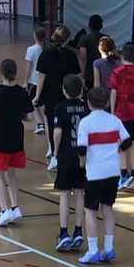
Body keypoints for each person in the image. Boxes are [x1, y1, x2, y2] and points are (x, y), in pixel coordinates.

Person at [75, 86, 131, 265]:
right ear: (107, 102)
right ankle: (108, 248)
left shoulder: (86, 122)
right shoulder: (114, 120)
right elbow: (127, 141)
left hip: (95, 173)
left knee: (90, 210)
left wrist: (82, 163)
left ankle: (92, 250)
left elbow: (82, 148)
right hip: (113, 171)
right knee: (107, 208)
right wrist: (116, 151)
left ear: (89, 103)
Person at [0, 58, 33, 227]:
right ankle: (15, 207)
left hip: (0, 138)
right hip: (16, 137)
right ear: (15, 72)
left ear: (1, 73)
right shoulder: (22, 92)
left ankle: (4, 210)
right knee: (11, 174)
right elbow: (30, 117)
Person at [35, 25, 82, 166]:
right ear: (67, 39)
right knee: (67, 122)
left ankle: (54, 151)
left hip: (50, 94)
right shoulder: (71, 55)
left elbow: (41, 76)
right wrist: (79, 94)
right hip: (67, 92)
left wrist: (37, 95)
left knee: (52, 123)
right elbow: (77, 76)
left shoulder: (46, 54)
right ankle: (65, 151)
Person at [52, 72, 88, 251]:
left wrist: (55, 151)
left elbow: (58, 131)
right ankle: (79, 230)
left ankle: (64, 232)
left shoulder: (60, 107)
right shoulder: (86, 107)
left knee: (65, 194)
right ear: (80, 90)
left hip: (66, 155)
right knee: (80, 193)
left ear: (64, 90)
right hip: (83, 155)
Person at [110, 42, 134, 190]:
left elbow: (113, 92)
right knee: (131, 141)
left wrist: (112, 111)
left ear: (122, 56)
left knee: (121, 143)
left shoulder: (117, 73)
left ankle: (124, 173)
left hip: (121, 112)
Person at [24, 25, 47, 131]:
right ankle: (44, 123)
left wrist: (25, 81)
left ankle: (39, 123)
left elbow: (28, 67)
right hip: (45, 80)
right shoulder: (46, 49)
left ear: (34, 36)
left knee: (31, 102)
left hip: (34, 80)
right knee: (41, 103)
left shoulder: (31, 49)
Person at [76, 14, 104, 85]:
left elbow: (83, 58)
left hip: (88, 74)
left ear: (89, 25)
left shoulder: (85, 38)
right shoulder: (106, 39)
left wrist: (82, 75)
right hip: (102, 72)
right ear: (101, 26)